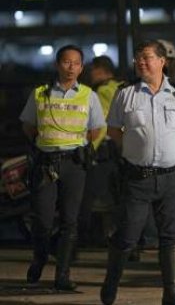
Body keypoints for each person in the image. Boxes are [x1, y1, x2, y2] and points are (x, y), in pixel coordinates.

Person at [100, 40, 175, 305]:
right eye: (137, 58)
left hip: (172, 177)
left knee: (170, 235)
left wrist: (166, 143)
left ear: (162, 61)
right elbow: (113, 131)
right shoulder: (126, 93)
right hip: (137, 178)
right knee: (128, 236)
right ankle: (111, 283)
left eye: (146, 57)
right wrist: (135, 150)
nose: (141, 62)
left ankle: (172, 293)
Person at [20, 45, 105, 290]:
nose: (71, 67)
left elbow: (97, 128)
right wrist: (46, 141)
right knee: (42, 220)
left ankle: (62, 275)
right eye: (67, 62)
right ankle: (40, 257)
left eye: (76, 63)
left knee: (70, 220)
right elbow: (28, 126)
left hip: (74, 164)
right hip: (46, 163)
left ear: (81, 67)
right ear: (58, 65)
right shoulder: (40, 94)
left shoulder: (89, 95)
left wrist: (80, 146)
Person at [78, 55, 124, 245]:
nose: (90, 74)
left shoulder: (103, 91)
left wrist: (89, 149)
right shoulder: (122, 87)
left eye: (93, 70)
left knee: (90, 196)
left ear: (102, 70)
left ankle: (85, 237)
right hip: (122, 150)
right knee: (118, 196)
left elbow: (101, 125)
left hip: (104, 150)